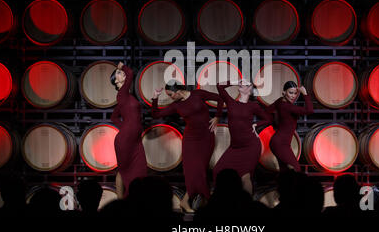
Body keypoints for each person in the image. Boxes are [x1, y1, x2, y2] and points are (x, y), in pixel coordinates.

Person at [152, 81, 223, 213]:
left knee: (200, 170)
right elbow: (156, 114)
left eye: (171, 94)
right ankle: (208, 200)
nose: (170, 97)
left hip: (207, 137)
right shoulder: (176, 106)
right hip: (191, 140)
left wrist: (218, 117)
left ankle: (185, 201)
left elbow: (219, 98)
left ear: (178, 91)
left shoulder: (198, 94)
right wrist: (155, 97)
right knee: (194, 172)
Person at [214, 79, 272, 195]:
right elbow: (219, 86)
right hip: (235, 147)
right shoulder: (231, 102)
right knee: (217, 170)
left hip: (250, 146)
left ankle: (246, 208)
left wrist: (256, 124)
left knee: (245, 176)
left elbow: (268, 119)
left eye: (246, 84)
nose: (242, 84)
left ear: (250, 90)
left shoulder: (253, 106)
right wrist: (236, 82)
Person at [110, 61, 147, 199]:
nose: (122, 72)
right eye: (118, 73)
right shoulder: (122, 94)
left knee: (141, 171)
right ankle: (122, 201)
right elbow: (130, 73)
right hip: (125, 141)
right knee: (124, 171)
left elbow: (113, 117)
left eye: (120, 71)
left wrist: (126, 127)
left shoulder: (126, 98)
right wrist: (122, 66)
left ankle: (131, 199)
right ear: (115, 82)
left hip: (135, 140)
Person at [266, 81, 313, 172]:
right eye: (290, 93)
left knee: (285, 171)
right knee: (296, 169)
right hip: (280, 144)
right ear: (284, 92)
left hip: (279, 142)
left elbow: (267, 110)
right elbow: (310, 110)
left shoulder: (280, 101)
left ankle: (284, 186)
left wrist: (276, 123)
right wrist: (305, 94)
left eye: (295, 93)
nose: (293, 96)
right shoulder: (288, 107)